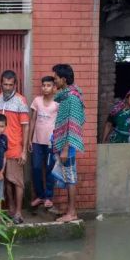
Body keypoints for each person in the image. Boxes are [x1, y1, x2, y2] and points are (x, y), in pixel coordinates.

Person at [51, 64, 85, 223]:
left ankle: (72, 213)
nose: (54, 81)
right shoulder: (66, 96)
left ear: (63, 79)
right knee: (67, 175)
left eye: (56, 78)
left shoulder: (71, 98)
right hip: (64, 143)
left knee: (70, 177)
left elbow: (73, 124)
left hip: (68, 145)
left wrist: (65, 148)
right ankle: (69, 210)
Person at [0, 70, 30, 224]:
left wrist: (24, 151)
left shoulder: (21, 101)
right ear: (1, 84)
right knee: (6, 181)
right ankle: (10, 209)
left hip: (16, 147)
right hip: (1, 148)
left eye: (10, 84)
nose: (7, 87)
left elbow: (26, 127)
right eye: (5, 84)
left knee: (17, 181)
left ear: (15, 84)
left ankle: (18, 212)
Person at [28, 76, 59, 209]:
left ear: (54, 88)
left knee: (50, 169)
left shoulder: (58, 103)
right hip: (36, 141)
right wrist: (29, 139)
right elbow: (33, 120)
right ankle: (40, 196)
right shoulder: (37, 101)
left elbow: (60, 123)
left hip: (51, 143)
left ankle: (48, 197)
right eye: (43, 85)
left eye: (48, 85)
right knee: (36, 168)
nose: (45, 88)